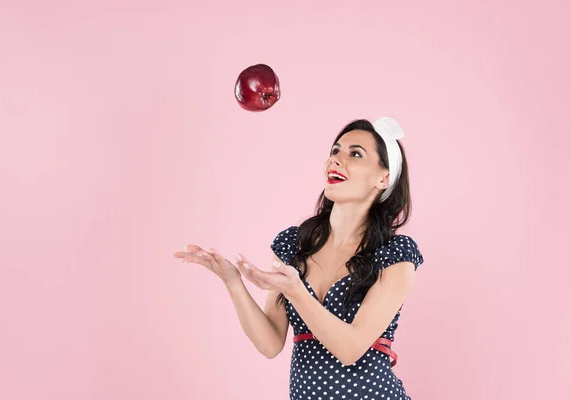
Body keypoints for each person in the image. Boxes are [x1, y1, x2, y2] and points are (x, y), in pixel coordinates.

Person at [174, 117, 424, 400]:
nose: (336, 160)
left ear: (384, 178)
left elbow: (350, 349)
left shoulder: (394, 256)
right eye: (335, 151)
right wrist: (233, 282)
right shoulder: (296, 245)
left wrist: (296, 292)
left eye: (355, 154)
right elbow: (270, 343)